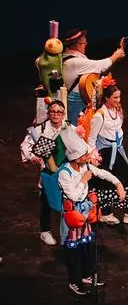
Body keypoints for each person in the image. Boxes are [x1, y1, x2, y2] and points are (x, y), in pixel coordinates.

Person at [58, 126, 126, 296]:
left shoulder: (85, 167)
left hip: (85, 213)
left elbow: (103, 173)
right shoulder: (64, 173)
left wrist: (118, 184)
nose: (87, 157)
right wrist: (83, 180)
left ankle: (87, 274)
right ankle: (74, 281)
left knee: (86, 246)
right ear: (75, 157)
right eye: (84, 155)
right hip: (73, 214)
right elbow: (73, 195)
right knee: (73, 250)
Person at [87, 80, 128, 226]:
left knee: (125, 179)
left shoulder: (117, 110)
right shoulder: (100, 115)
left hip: (116, 149)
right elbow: (91, 138)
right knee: (105, 182)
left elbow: (118, 129)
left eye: (119, 97)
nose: (118, 100)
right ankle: (106, 213)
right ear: (107, 98)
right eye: (115, 98)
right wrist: (93, 156)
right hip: (104, 152)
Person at [20, 99, 70, 245]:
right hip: (48, 170)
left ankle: (67, 231)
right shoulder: (40, 129)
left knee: (68, 200)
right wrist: (32, 156)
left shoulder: (69, 128)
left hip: (65, 169)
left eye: (59, 112)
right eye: (53, 111)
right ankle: (45, 230)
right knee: (47, 201)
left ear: (63, 114)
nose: (56, 114)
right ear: (48, 113)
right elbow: (26, 145)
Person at [62, 29, 125, 124]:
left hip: (81, 103)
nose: (86, 44)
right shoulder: (74, 62)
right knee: (76, 131)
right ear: (77, 45)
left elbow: (97, 71)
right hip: (75, 105)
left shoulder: (72, 58)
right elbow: (99, 66)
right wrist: (115, 55)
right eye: (84, 43)